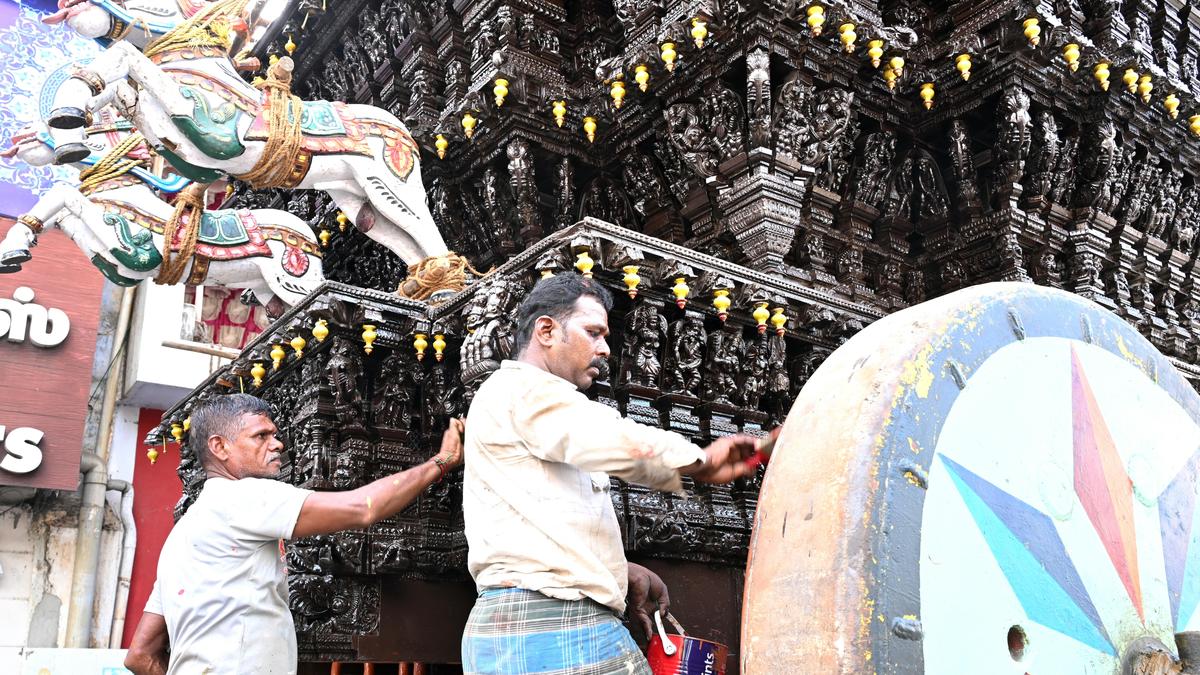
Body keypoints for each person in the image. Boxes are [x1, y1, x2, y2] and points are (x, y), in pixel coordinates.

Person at [461, 274, 764, 674]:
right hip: (553, 623)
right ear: (546, 331)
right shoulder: (523, 389)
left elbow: (541, 521)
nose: (605, 348)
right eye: (593, 332)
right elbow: (610, 436)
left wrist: (618, 573)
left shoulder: (524, 401)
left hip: (526, 623)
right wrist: (701, 461)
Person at [123, 394, 464, 675]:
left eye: (275, 434)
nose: (278, 445)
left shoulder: (182, 534)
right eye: (261, 436)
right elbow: (365, 508)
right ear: (220, 447)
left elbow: (139, 655)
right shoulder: (244, 495)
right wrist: (441, 462)